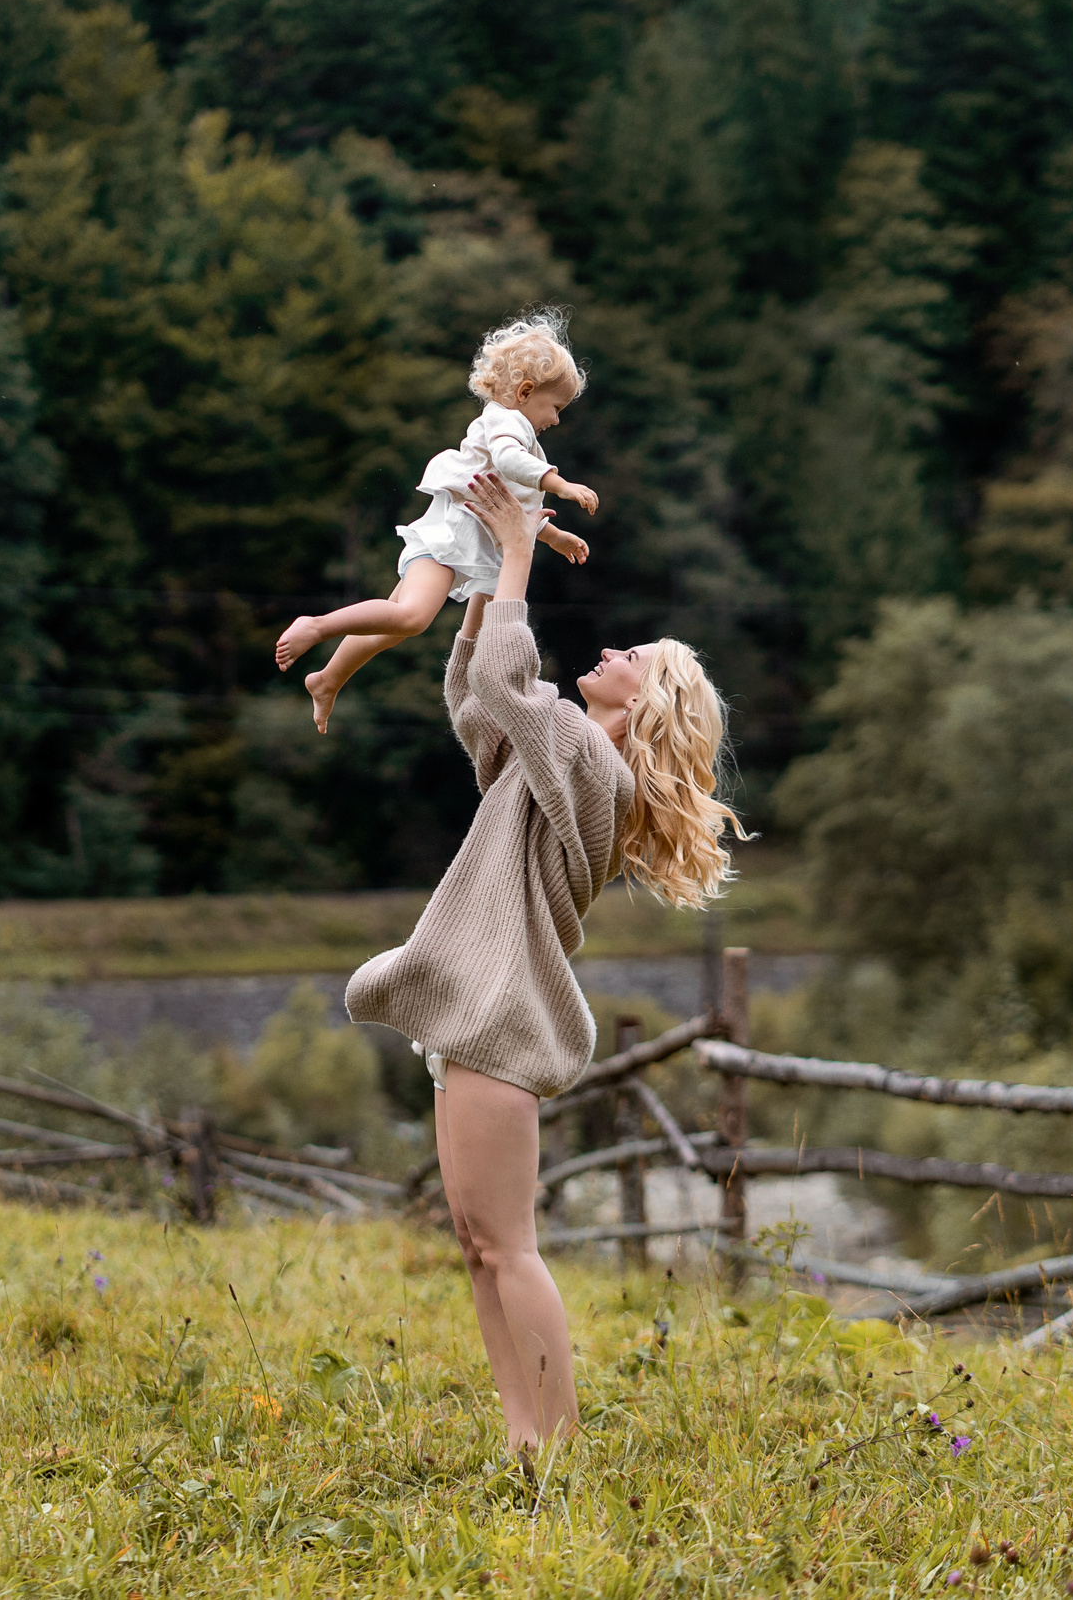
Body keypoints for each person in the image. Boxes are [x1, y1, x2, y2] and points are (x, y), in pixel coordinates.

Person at [345, 469, 742, 1455]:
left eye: (632, 654)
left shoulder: (588, 760)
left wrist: (517, 551)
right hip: (481, 1017)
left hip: (500, 1022)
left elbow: (502, 691)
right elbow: (478, 705)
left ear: (646, 700)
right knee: (479, 1247)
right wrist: (480, 574)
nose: (610, 650)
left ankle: (556, 1448)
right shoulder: (556, 751)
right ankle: (524, 1441)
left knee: (508, 1248)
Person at [275, 310, 602, 733]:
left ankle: (327, 679)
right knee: (412, 618)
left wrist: (554, 537)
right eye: (555, 407)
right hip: (448, 541)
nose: (556, 419)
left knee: (394, 624)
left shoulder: (524, 440)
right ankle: (316, 626)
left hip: (455, 543)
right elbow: (507, 461)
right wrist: (560, 484)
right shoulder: (507, 424)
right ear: (524, 392)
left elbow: (511, 505)